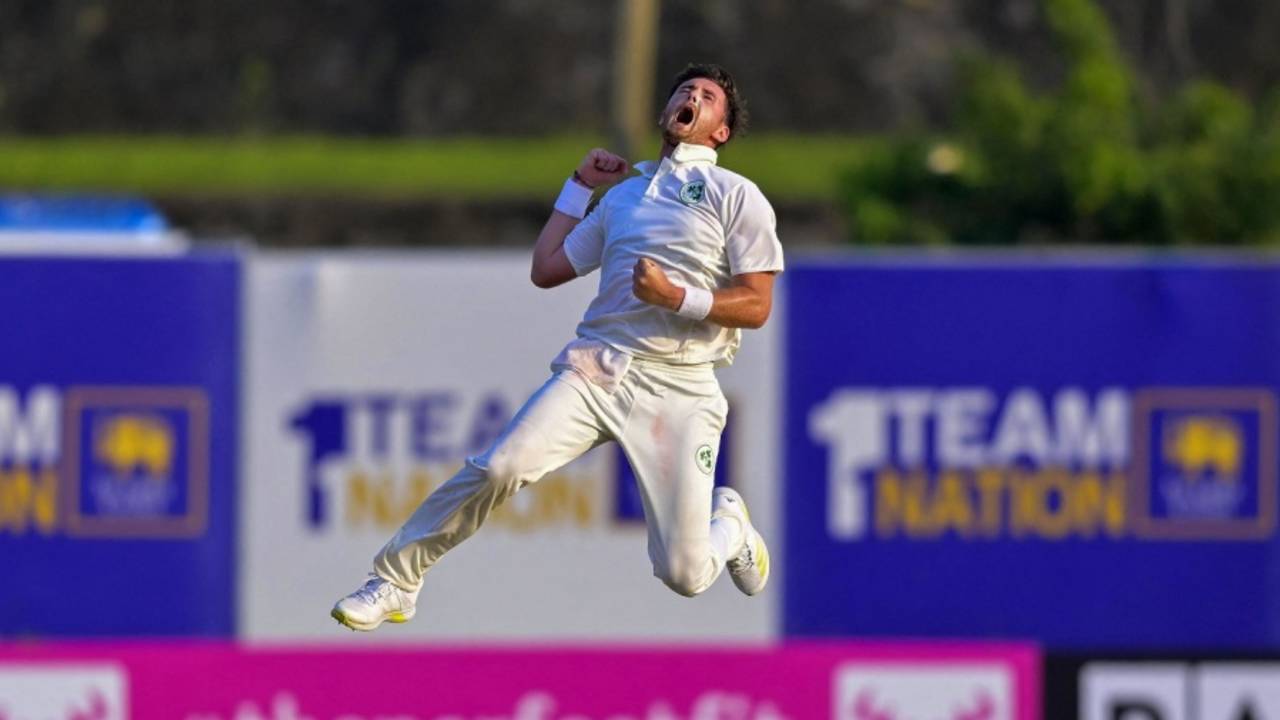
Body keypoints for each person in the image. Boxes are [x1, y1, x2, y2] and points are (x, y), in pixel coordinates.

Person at [332, 62, 783, 631]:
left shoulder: (735, 195)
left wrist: (674, 298)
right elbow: (547, 268)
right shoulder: (623, 197)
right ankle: (395, 581)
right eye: (683, 90)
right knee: (499, 467)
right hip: (599, 368)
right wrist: (579, 186)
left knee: (686, 574)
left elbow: (757, 304)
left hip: (682, 389)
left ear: (719, 130)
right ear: (666, 112)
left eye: (708, 96)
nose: (691, 96)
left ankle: (731, 526)